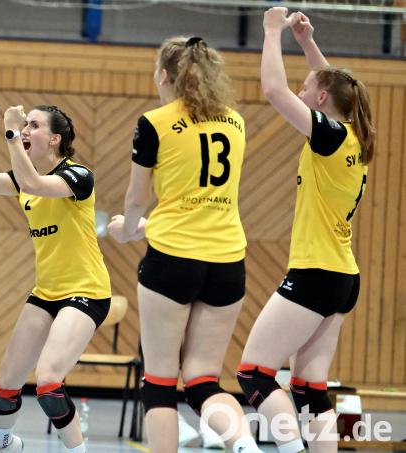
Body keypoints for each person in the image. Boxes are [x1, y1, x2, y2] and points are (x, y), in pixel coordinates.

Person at [107, 36, 262, 453]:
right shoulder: (234, 121)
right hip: (228, 260)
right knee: (202, 380)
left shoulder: (154, 122)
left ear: (164, 75)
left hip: (173, 259)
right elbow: (202, 195)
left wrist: (127, 228)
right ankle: (245, 445)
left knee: (158, 381)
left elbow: (139, 197)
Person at [237, 9, 374, 453]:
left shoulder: (331, 136)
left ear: (319, 102)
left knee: (254, 373)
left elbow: (275, 90)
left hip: (315, 273)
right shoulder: (353, 135)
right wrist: (307, 42)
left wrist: (272, 32)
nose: (301, 88)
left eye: (307, 89)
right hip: (342, 276)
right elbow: (334, 84)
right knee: (309, 388)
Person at [0, 101, 111, 453]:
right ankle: (4, 444)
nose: (26, 131)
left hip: (86, 291)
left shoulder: (78, 176)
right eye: (25, 126)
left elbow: (33, 181)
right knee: (4, 387)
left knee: (47, 383)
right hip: (46, 293)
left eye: (34, 126)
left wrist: (12, 132)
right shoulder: (25, 179)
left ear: (55, 139)